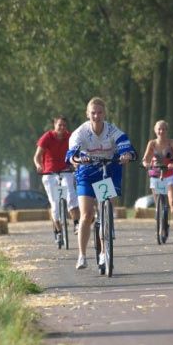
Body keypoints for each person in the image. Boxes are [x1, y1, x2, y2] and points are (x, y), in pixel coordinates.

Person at [67, 97, 136, 270]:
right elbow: (72, 153)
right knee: (86, 215)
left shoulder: (113, 131)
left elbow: (126, 146)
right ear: (87, 114)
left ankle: (105, 252)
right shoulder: (80, 132)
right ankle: (82, 255)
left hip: (108, 171)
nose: (96, 116)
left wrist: (127, 155)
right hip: (87, 173)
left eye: (99, 113)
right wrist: (76, 159)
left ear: (104, 114)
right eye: (93, 113)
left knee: (107, 212)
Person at [34, 116, 80, 243]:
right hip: (50, 173)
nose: (62, 128)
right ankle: (58, 231)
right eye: (60, 125)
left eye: (64, 125)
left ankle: (76, 223)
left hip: (66, 170)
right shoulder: (47, 137)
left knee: (71, 194)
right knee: (55, 204)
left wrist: (76, 163)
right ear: (54, 125)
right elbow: (37, 156)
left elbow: (76, 153)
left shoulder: (71, 137)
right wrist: (39, 165)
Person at [142, 120, 173, 233]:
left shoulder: (171, 143)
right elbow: (145, 159)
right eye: (159, 129)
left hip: (169, 174)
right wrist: (147, 164)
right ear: (155, 130)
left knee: (172, 201)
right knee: (158, 203)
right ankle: (159, 217)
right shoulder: (152, 144)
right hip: (155, 175)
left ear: (167, 131)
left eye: (164, 129)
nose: (161, 131)